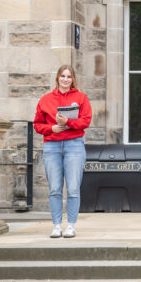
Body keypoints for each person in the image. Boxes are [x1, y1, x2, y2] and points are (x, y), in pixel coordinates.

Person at [33, 65, 92, 239]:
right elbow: (37, 125)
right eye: (63, 76)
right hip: (52, 147)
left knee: (73, 188)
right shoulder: (45, 99)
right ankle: (57, 226)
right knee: (54, 189)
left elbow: (86, 121)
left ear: (73, 79)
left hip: (74, 146)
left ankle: (71, 226)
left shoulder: (81, 98)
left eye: (69, 76)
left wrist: (68, 122)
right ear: (57, 78)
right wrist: (51, 128)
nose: (65, 79)